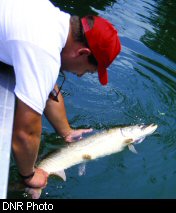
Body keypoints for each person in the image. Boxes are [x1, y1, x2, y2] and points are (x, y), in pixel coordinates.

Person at [0, 0, 121, 189]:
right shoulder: (44, 50)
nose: (80, 75)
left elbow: (49, 88)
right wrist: (29, 175)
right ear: (83, 52)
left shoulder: (51, 18)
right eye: (88, 71)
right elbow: (25, 132)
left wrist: (67, 132)